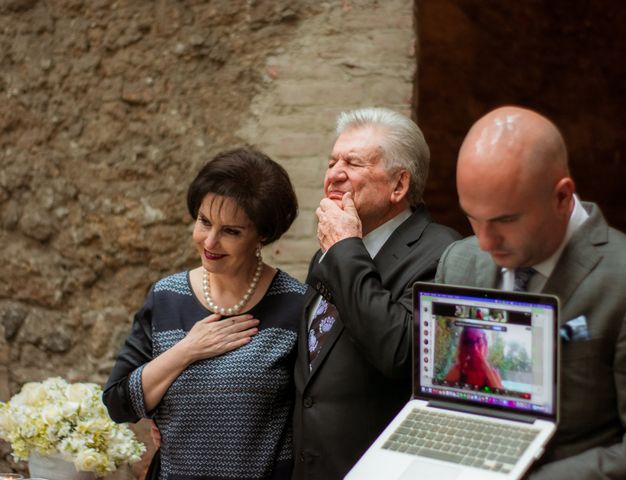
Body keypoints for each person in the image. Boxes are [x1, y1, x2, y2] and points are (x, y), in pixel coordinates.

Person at [435, 105, 626, 479]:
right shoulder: (457, 262)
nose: (483, 242)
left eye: (505, 220)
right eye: (472, 218)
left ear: (562, 197)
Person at [103, 148, 308, 480]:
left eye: (231, 231)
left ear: (262, 235)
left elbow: (314, 419)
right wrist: (187, 350)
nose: (210, 241)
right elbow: (117, 403)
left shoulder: (295, 305)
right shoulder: (166, 296)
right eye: (204, 221)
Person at [293, 107, 461, 479]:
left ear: (399, 186)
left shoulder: (443, 253)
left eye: (352, 163)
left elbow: (399, 351)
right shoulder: (331, 251)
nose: (334, 174)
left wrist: (344, 249)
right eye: (332, 161)